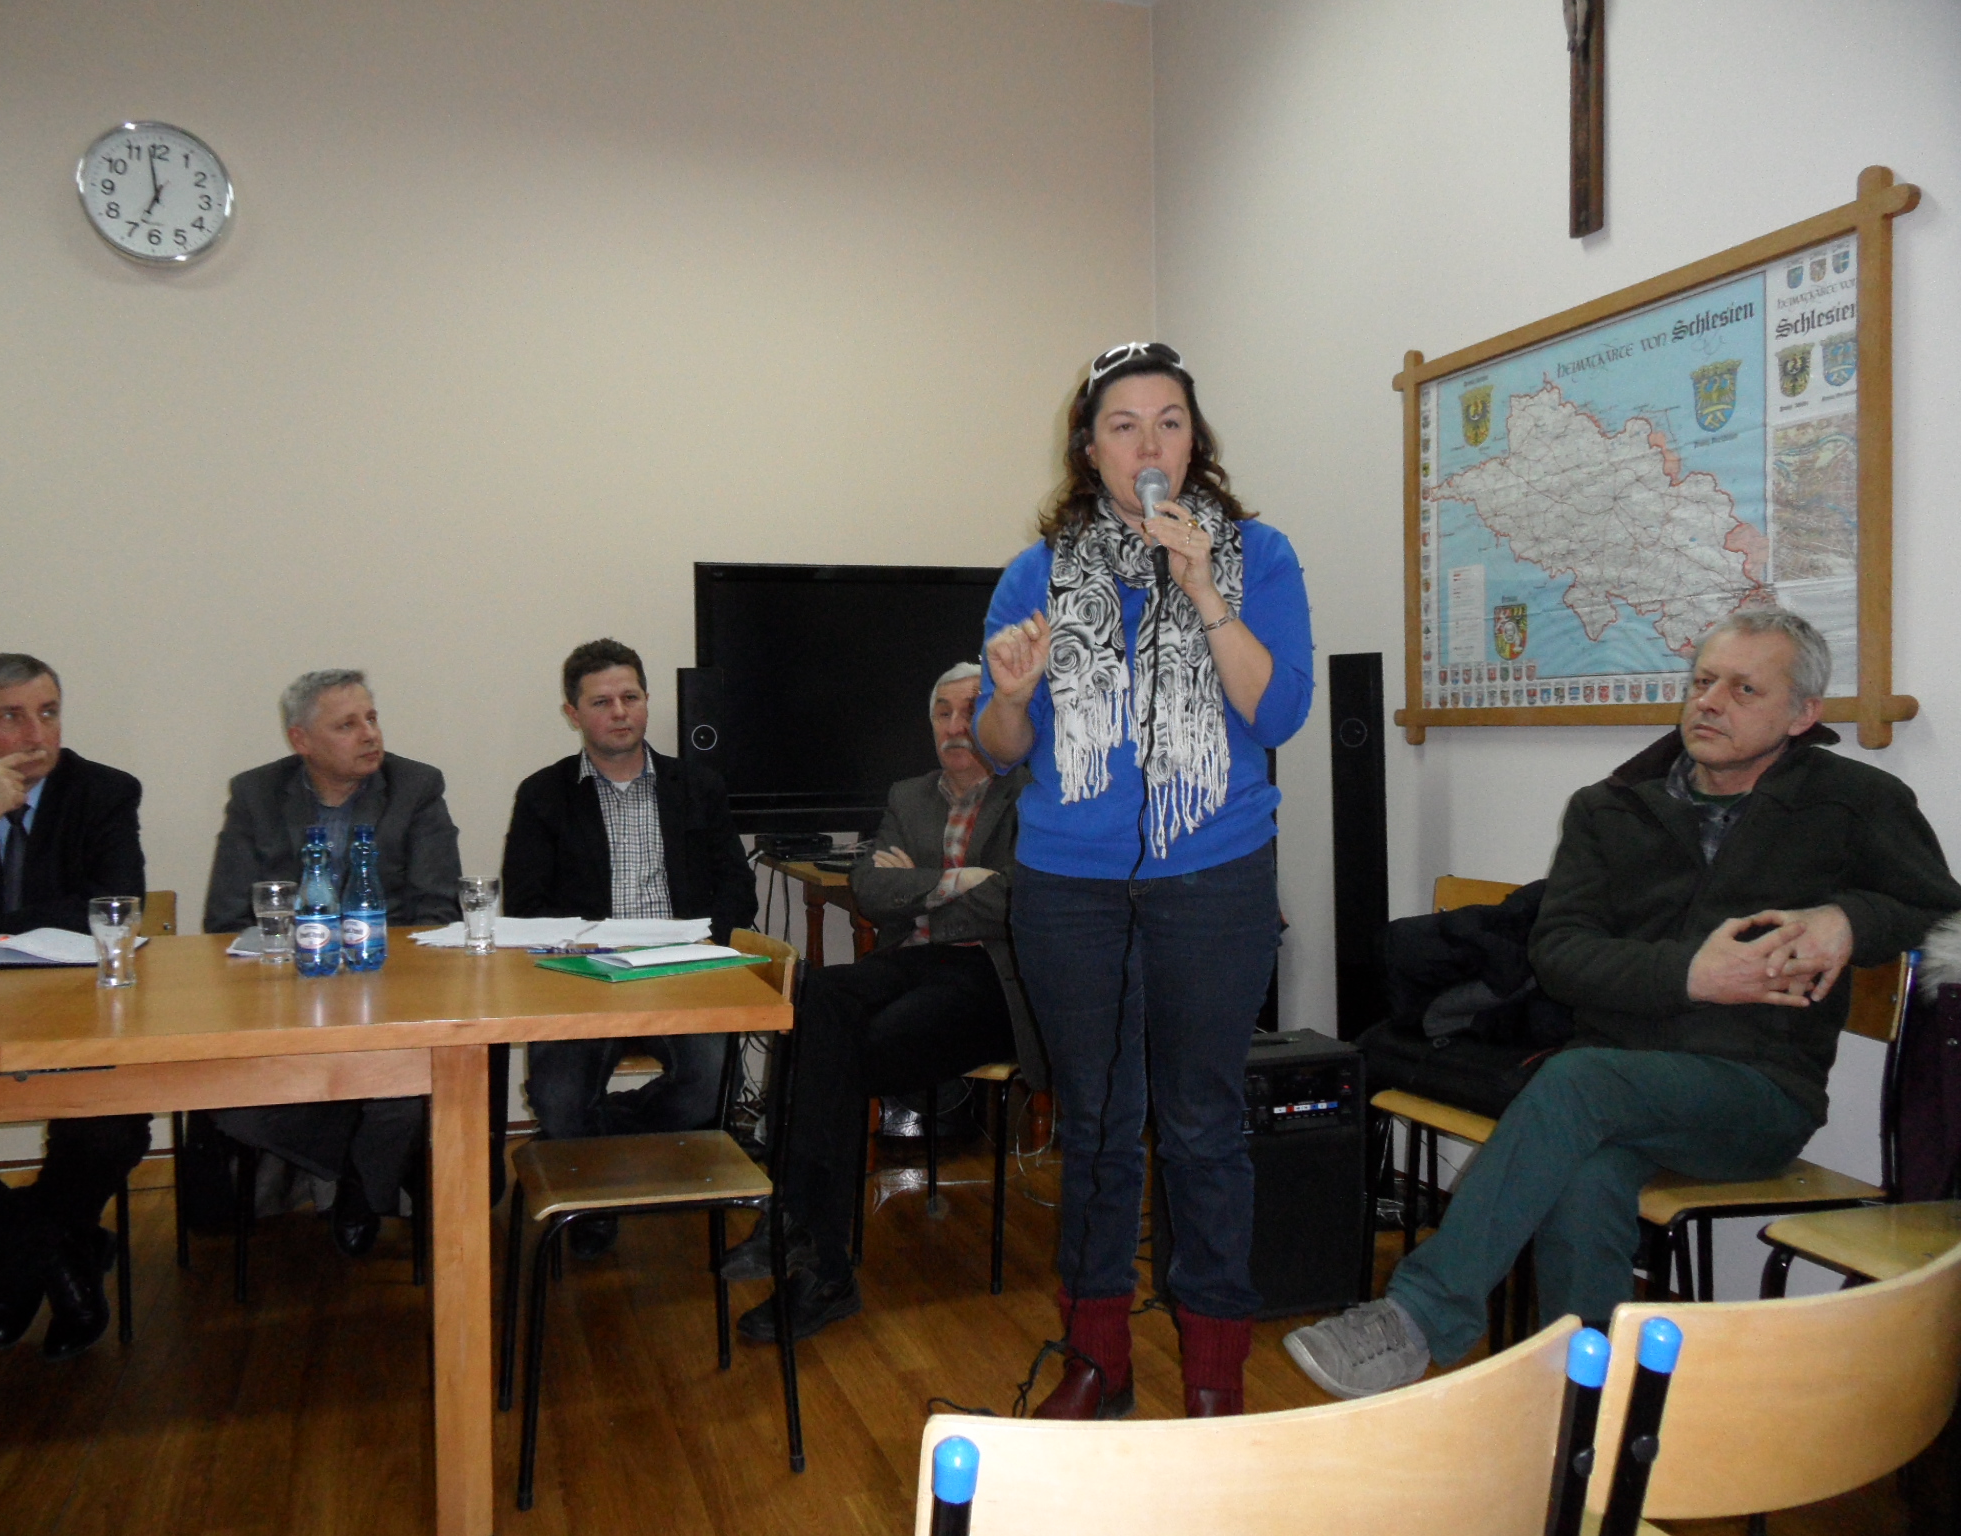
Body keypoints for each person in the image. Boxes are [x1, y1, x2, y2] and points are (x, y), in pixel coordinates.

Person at [1286, 609, 1961, 1399]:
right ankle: (1588, 1411)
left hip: (1758, 1091)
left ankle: (1420, 1315)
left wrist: (1849, 920)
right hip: (1613, 1085)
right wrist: (1692, 976)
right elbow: (1560, 955)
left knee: (1578, 1083)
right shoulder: (1609, 808)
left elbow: (1940, 914)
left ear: (1802, 713)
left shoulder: (1856, 801)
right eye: (1703, 681)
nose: (1710, 702)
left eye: (1744, 689)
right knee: (1586, 1177)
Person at [978, 342, 1315, 1419]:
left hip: (1213, 876)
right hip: (1066, 886)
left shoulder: (1257, 556)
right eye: (1122, 426)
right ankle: (1097, 1362)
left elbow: (1279, 713)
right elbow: (995, 748)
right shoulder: (1034, 574)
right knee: (1094, 1125)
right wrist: (1011, 697)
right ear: (1090, 450)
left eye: (1168, 421)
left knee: (1204, 1125)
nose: (1147, 443)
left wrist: (1204, 590)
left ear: (1193, 441)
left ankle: (1214, 1376)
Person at [725, 662, 1050, 1343]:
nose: (955, 726)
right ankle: (816, 1253)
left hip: (991, 981)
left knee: (835, 1052)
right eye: (942, 713)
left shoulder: (1032, 792)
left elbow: (1020, 901)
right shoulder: (910, 796)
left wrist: (923, 887)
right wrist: (961, 880)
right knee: (814, 995)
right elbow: (870, 890)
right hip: (909, 961)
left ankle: (807, 1242)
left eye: (969, 710)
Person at [0, 654, 151, 1359]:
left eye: (48, 713)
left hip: (77, 1019)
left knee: (111, 1127)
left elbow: (113, 906)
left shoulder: (103, 792)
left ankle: (19, 1264)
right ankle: (50, 1255)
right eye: (11, 717)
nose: (35, 734)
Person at [502, 637, 756, 1256]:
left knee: (709, 1084)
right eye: (601, 702)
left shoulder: (698, 786)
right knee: (559, 1097)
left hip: (681, 973)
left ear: (646, 701)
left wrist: (704, 945)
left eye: (630, 697)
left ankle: (590, 1150)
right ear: (573, 713)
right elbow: (525, 907)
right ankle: (586, 1170)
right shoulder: (543, 794)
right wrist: (584, 952)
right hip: (584, 980)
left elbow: (737, 890)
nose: (619, 712)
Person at [200, 669, 463, 1257]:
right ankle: (364, 1171)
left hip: (390, 990)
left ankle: (359, 1192)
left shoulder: (416, 787)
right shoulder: (256, 794)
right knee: (231, 1104)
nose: (370, 734)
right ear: (302, 740)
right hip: (286, 996)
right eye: (347, 725)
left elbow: (436, 912)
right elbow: (224, 920)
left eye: (371, 718)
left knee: (403, 1089)